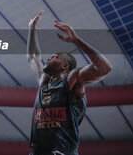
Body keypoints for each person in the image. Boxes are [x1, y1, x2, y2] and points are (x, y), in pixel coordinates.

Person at [27, 10, 112, 155]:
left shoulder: (72, 80)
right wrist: (32, 29)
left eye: (54, 57)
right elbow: (32, 57)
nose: (48, 58)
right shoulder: (44, 82)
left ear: (65, 66)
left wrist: (77, 40)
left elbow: (105, 68)